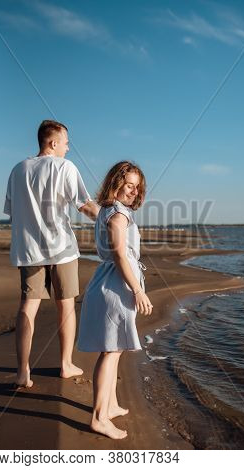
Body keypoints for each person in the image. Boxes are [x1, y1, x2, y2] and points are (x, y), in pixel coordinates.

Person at [3, 120, 99, 388]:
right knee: (65, 305)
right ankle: (65, 364)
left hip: (28, 251)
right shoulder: (64, 167)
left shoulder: (17, 170)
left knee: (27, 308)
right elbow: (85, 207)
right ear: (53, 142)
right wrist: (111, 219)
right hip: (61, 250)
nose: (68, 148)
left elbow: (13, 214)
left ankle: (23, 371)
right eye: (66, 143)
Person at [77, 161, 153, 440]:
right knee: (110, 351)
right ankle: (99, 417)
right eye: (128, 185)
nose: (133, 191)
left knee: (115, 348)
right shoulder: (118, 215)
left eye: (137, 187)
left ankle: (109, 405)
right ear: (116, 183)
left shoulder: (108, 210)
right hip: (116, 286)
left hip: (109, 282)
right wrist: (138, 290)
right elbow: (121, 255)